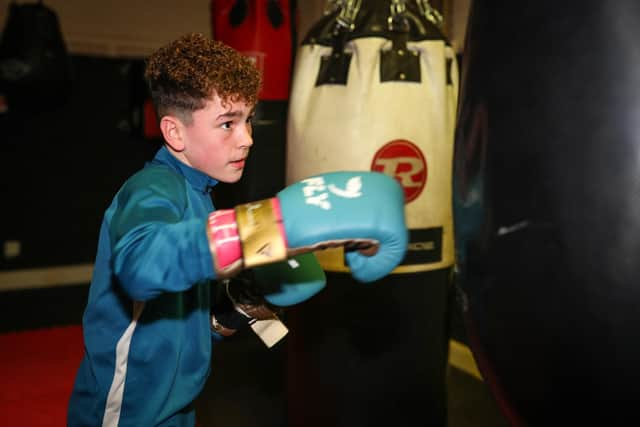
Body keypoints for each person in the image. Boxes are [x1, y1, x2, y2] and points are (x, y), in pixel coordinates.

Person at [67, 33, 408, 427]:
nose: (246, 138)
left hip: (177, 407)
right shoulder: (153, 189)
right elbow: (141, 265)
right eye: (227, 123)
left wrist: (237, 307)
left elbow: (185, 314)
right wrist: (266, 226)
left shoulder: (200, 194)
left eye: (247, 119)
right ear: (174, 133)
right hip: (125, 412)